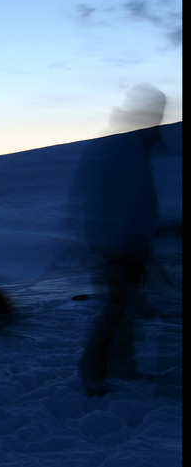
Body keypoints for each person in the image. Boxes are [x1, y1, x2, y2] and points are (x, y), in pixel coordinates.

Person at [71, 83, 166, 397]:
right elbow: (105, 200)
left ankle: (122, 365)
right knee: (115, 310)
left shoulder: (134, 142)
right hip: (115, 246)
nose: (159, 118)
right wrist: (114, 248)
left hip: (130, 245)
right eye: (155, 112)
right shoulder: (117, 144)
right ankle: (93, 372)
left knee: (127, 309)